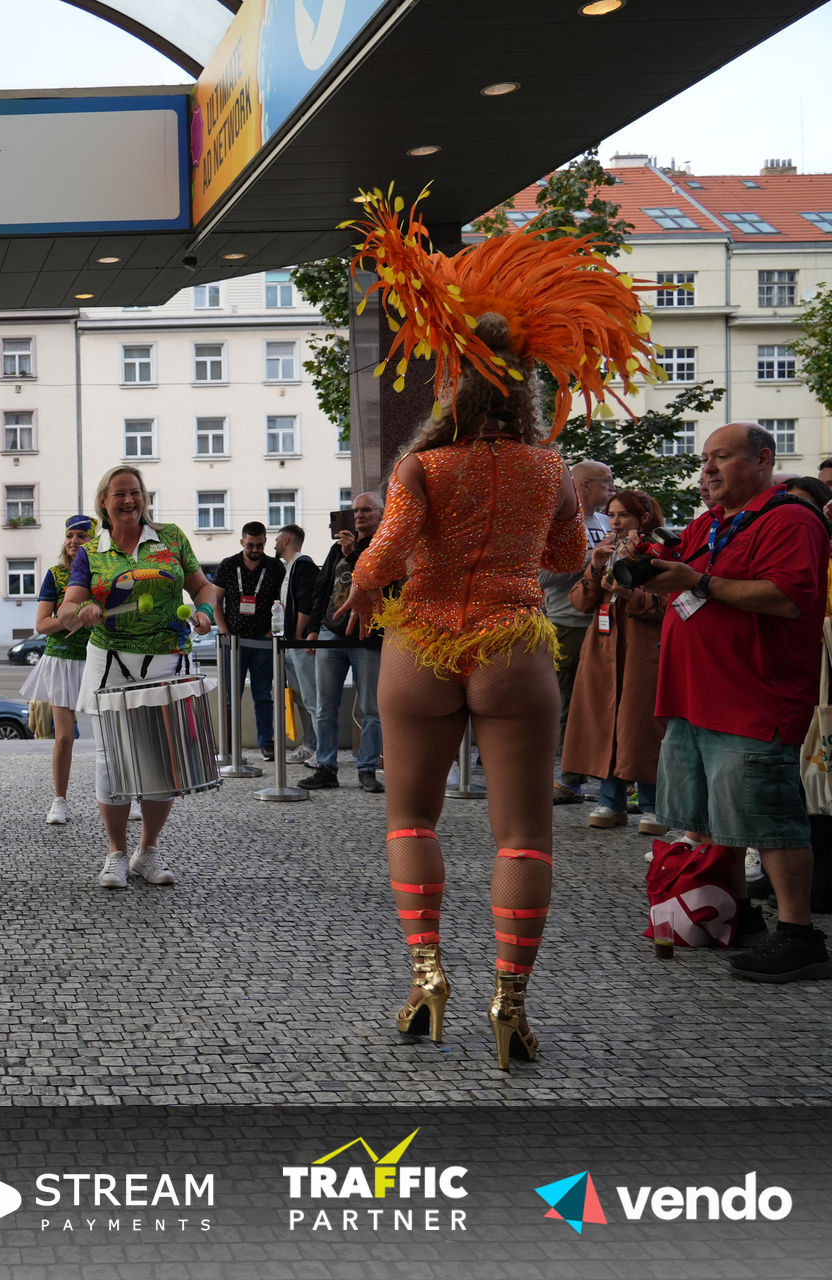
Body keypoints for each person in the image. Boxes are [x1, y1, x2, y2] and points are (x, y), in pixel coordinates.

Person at [339, 184, 660, 1068]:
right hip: (515, 645)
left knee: (413, 819)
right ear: (522, 389)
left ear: (454, 384)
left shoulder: (426, 467)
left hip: (424, 644)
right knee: (522, 834)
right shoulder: (548, 467)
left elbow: (384, 556)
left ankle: (427, 979)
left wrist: (363, 592)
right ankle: (511, 1003)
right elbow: (564, 554)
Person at [641, 422, 832, 982]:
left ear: (763, 460)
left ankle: (799, 936)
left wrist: (697, 581)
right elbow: (682, 579)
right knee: (708, 817)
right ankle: (739, 916)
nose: (708, 469)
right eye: (706, 458)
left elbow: (787, 597)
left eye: (722, 457)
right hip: (693, 696)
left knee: (769, 820)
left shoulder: (791, 519)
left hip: (752, 697)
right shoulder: (709, 523)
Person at [59, 465, 219, 889]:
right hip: (110, 662)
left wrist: (204, 610)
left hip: (168, 658)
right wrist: (81, 611)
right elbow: (66, 610)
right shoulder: (90, 552)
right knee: (110, 758)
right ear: (104, 502)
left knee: (161, 760)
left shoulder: (171, 539)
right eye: (120, 494)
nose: (129, 500)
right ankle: (115, 853)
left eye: (135, 492)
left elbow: (203, 587)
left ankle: (147, 851)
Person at [560, 489, 668, 833]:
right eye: (612, 514)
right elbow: (580, 602)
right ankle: (610, 801)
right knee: (605, 722)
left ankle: (652, 805)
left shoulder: (661, 551)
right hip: (603, 652)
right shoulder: (606, 550)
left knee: (641, 728)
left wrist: (627, 594)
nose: (615, 521)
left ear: (643, 518)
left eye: (623, 515)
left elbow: (667, 605)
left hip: (643, 652)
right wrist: (594, 566)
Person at [300, 493, 386, 792]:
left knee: (371, 707)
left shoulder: (383, 546)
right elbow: (322, 587)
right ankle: (326, 767)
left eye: (366, 510)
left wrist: (351, 553)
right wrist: (313, 629)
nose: (359, 515)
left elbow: (376, 581)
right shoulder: (337, 547)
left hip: (367, 637)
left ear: (381, 513)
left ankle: (367, 769)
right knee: (325, 706)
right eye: (355, 510)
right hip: (331, 633)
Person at [540, 460, 614, 803]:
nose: (612, 487)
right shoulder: (555, 526)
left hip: (609, 625)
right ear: (585, 485)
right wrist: (591, 561)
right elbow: (542, 577)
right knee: (568, 705)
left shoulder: (608, 522)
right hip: (568, 624)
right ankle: (570, 779)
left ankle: (617, 781)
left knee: (610, 702)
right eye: (606, 480)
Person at [23, 515, 97, 824]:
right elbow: (42, 625)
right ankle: (59, 801)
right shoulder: (55, 575)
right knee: (64, 737)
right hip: (61, 660)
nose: (73, 540)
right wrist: (76, 616)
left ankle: (124, 797)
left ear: (94, 542)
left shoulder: (104, 573)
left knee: (110, 737)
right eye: (70, 535)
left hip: (97, 659)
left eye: (81, 535)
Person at [212, 521, 285, 761]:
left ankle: (266, 743)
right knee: (230, 696)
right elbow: (215, 602)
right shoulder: (228, 565)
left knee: (263, 696)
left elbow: (283, 602)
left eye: (260, 545)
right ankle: (229, 744)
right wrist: (225, 632)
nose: (255, 550)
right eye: (251, 545)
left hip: (263, 641)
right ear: (242, 542)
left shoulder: (274, 566)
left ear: (265, 542)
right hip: (234, 641)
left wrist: (272, 632)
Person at [276, 524, 320, 766]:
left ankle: (322, 750)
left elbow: (307, 601)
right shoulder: (290, 568)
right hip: (290, 643)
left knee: (312, 698)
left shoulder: (303, 565)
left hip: (299, 643)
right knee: (302, 699)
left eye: (277, 540)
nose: (274, 544)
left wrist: (298, 632)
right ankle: (310, 745)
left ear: (286, 540)